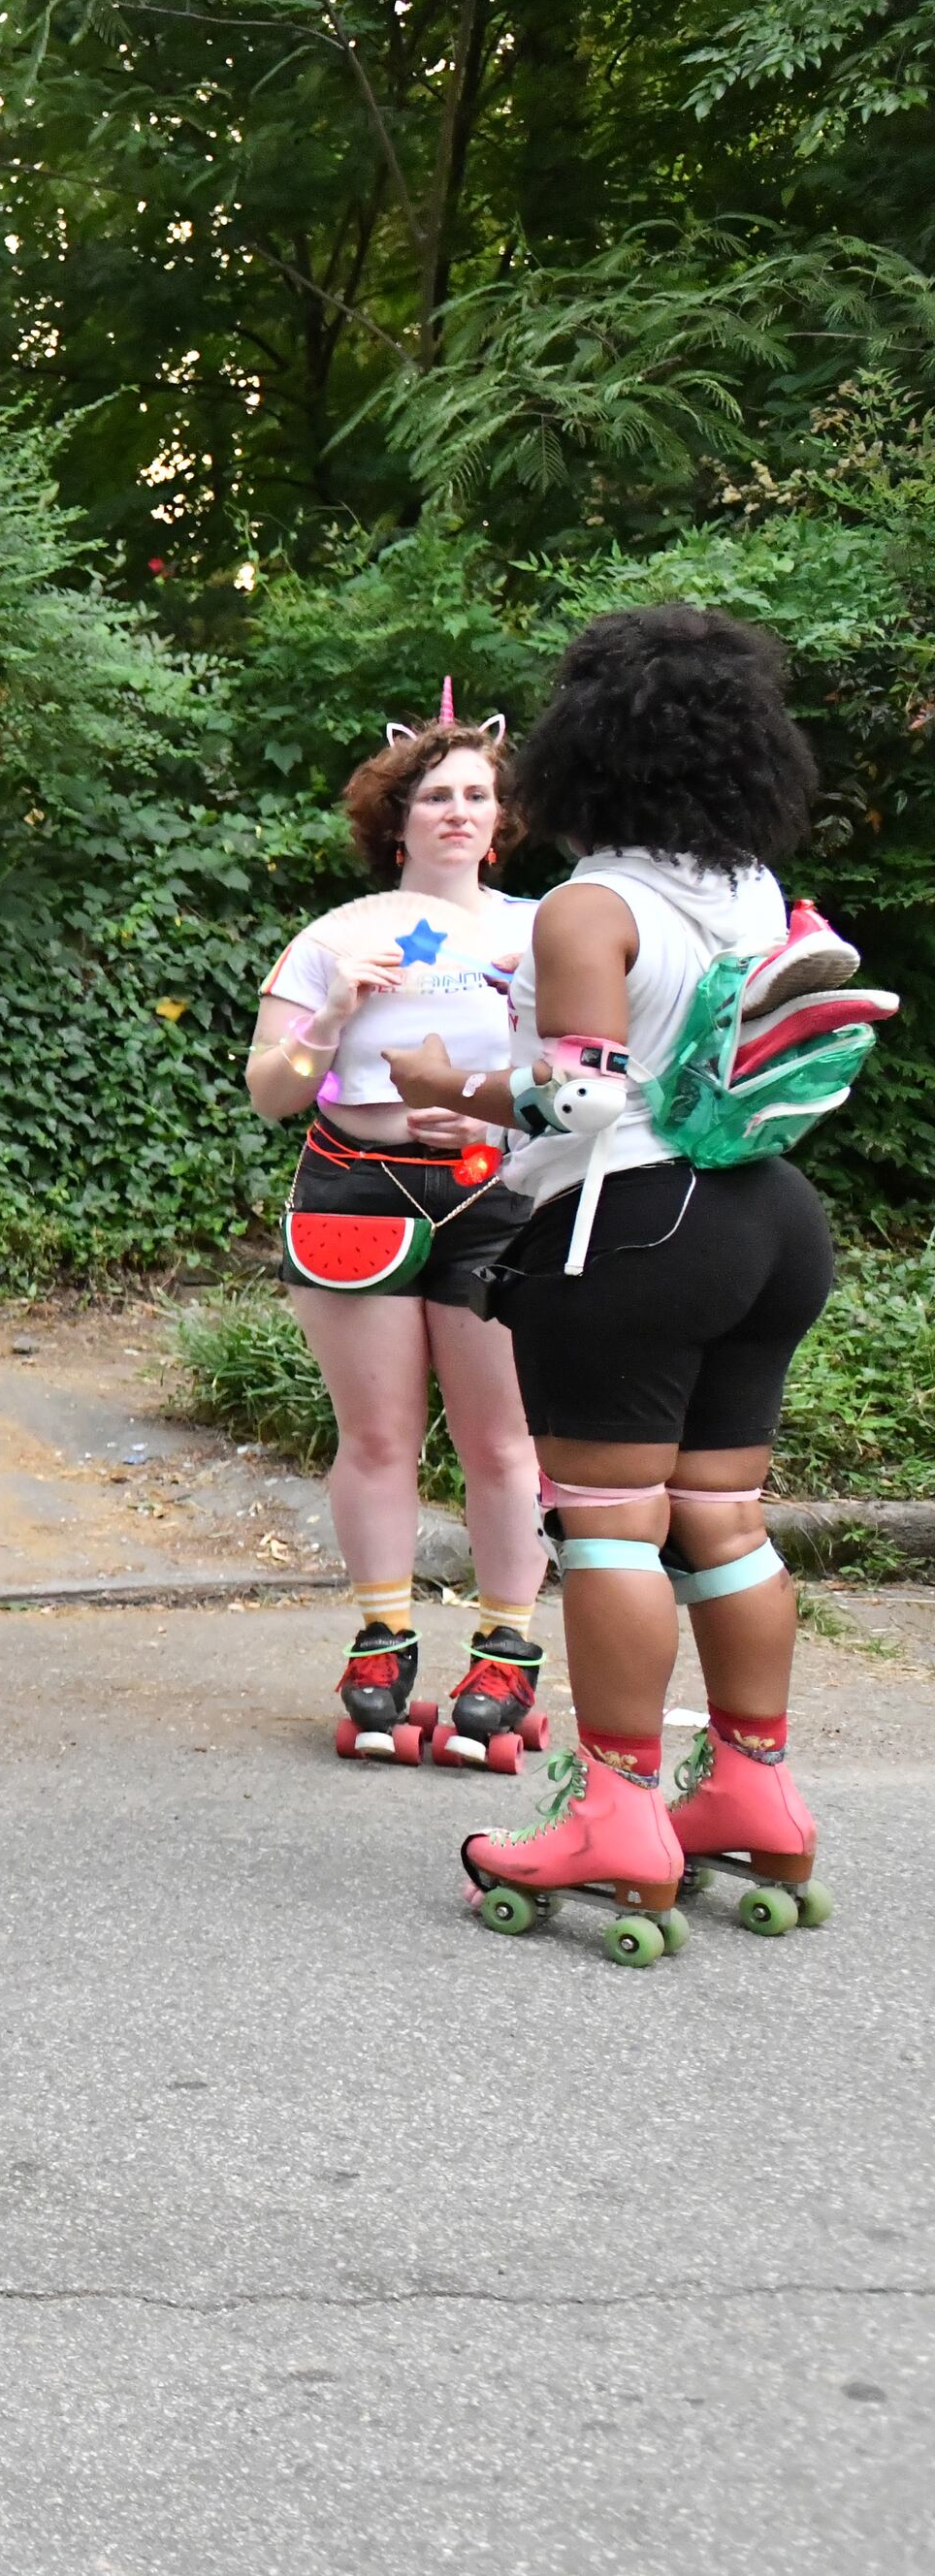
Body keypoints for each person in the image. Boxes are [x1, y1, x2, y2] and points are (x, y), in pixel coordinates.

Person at [389, 605, 864, 1959]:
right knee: (723, 1513)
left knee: (604, 1524)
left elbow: (580, 1101)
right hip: (771, 1221)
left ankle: (614, 1810)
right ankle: (757, 1790)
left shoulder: (594, 904)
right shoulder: (755, 896)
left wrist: (453, 1087)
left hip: (638, 1226)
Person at [244, 698, 550, 1764]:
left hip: (496, 1193)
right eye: (437, 796)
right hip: (355, 1190)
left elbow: (584, 1069)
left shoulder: (541, 929)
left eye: (477, 795)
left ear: (501, 817)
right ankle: (384, 1634)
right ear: (397, 819)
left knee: (499, 1439)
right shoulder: (336, 935)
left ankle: (508, 1646)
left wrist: (486, 1098)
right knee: (376, 1436)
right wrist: (331, 1023)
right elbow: (270, 1091)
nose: (459, 812)